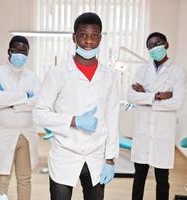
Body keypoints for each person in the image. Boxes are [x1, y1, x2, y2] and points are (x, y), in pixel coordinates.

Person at [33, 12, 120, 200]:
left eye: (94, 35)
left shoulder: (110, 77)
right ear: (74, 37)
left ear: (100, 38)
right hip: (65, 154)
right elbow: (39, 114)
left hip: (97, 157)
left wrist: (110, 159)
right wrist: (74, 121)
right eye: (82, 34)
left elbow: (112, 119)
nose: (88, 40)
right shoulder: (57, 73)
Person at [127, 32, 187, 200]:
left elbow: (176, 103)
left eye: (158, 43)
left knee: (162, 179)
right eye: (151, 45)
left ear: (166, 44)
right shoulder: (142, 70)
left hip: (162, 134)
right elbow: (131, 96)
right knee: (139, 177)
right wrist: (158, 96)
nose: (155, 47)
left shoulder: (178, 72)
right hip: (143, 132)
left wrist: (145, 96)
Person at [0, 35, 41, 200]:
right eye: (16, 50)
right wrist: (25, 95)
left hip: (26, 135)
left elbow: (37, 100)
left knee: (25, 179)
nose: (20, 54)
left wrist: (10, 103)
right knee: (1, 180)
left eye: (24, 51)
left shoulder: (33, 77)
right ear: (9, 51)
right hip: (3, 135)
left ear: (28, 53)